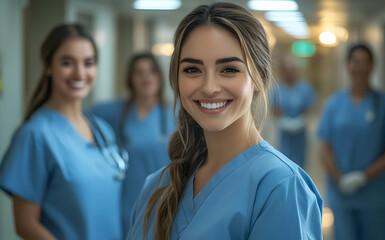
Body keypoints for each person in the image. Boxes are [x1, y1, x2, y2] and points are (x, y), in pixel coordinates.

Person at [127, 3, 323, 240]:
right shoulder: (157, 187)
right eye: (192, 70)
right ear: (176, 79)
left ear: (259, 76)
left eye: (229, 69)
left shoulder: (279, 186)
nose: (209, 87)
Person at [0, 24, 125, 240]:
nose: (80, 73)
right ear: (48, 66)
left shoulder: (102, 130)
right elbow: (26, 225)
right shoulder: (35, 135)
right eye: (67, 63)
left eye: (89, 63)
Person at [317, 44, 385, 240]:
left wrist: (363, 177)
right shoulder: (334, 104)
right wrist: (339, 179)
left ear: (372, 67)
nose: (359, 67)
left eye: (364, 63)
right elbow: (324, 148)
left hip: (373, 197)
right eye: (355, 62)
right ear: (348, 66)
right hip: (341, 195)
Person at [91, 52, 176, 235]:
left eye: (151, 71)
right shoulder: (115, 112)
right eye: (139, 72)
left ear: (159, 77)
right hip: (124, 202)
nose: (146, 77)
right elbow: (80, 119)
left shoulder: (176, 114)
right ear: (130, 79)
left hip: (164, 201)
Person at [272, 55, 315, 169]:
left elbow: (309, 109)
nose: (290, 72)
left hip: (300, 136)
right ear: (282, 71)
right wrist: (283, 122)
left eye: (292, 69)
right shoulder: (277, 90)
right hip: (283, 136)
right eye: (287, 69)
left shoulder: (305, 88)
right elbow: (275, 110)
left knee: (300, 165)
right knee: (283, 163)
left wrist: (300, 121)